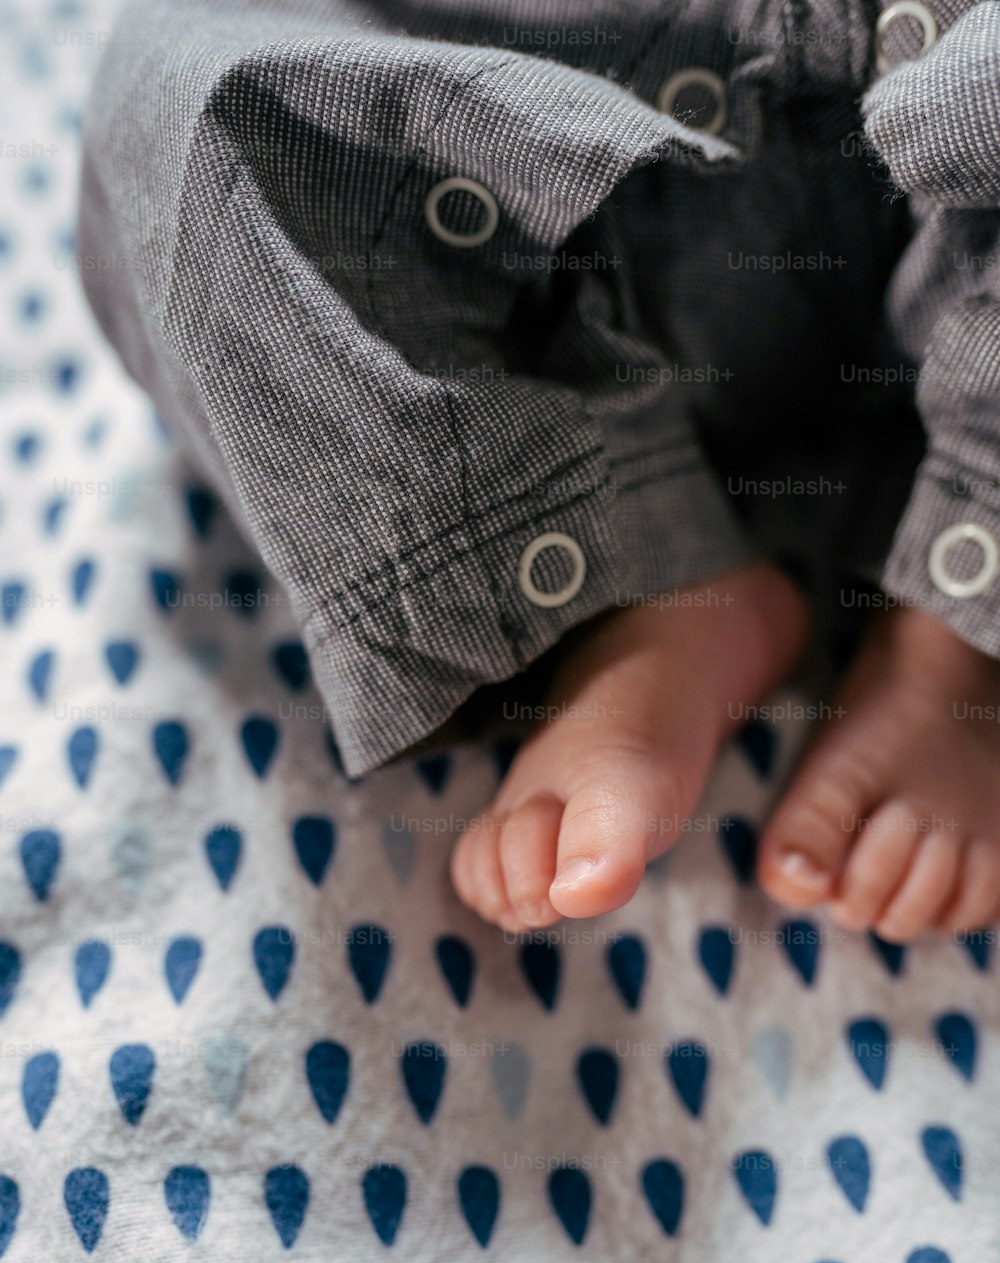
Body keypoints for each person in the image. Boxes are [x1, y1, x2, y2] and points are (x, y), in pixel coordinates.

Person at [79, 0, 1000, 943]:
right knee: (180, 87)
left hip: (944, 179)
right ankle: (650, 585)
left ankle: (951, 636)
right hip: (543, 160)